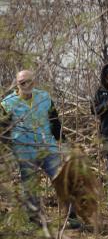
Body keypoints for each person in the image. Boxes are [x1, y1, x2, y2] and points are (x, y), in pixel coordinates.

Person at [1, 70, 66, 219]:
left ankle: (72, 215)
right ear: (17, 84)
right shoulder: (7, 104)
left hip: (48, 147)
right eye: (22, 82)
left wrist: (63, 141)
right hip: (24, 149)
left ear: (34, 82)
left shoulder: (44, 98)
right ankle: (35, 219)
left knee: (61, 180)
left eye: (29, 81)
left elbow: (54, 121)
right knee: (30, 185)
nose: (26, 85)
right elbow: (3, 130)